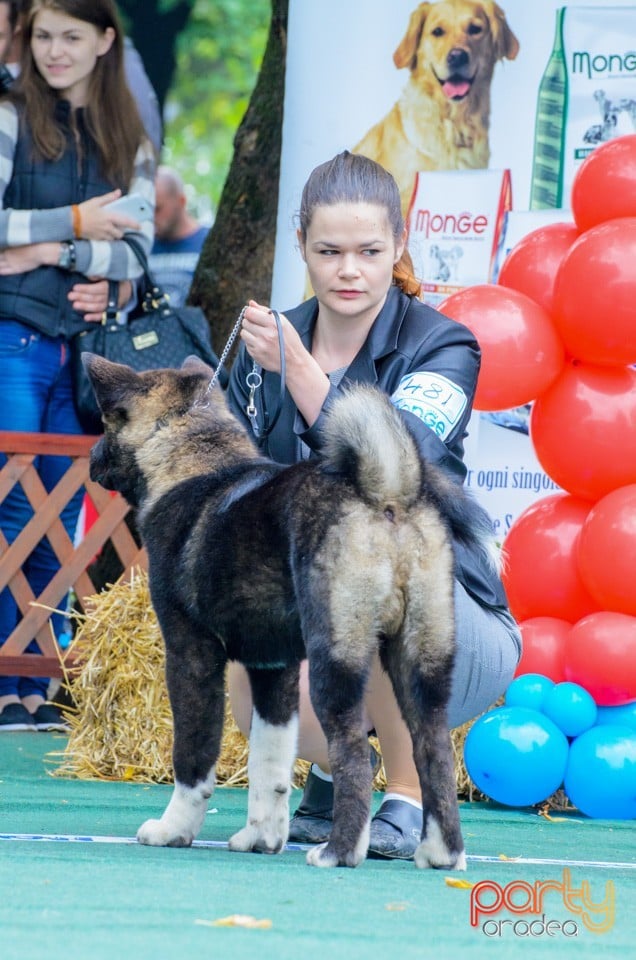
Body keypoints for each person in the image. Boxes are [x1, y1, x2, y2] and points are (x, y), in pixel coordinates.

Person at [226, 150, 521, 860]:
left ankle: (409, 799)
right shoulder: (261, 344)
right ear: (301, 247)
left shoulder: (445, 345)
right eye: (328, 251)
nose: (349, 270)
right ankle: (333, 770)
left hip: (453, 628)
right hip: (308, 609)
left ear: (399, 247)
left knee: (379, 555)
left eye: (368, 251)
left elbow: (391, 472)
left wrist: (298, 371)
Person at [0, 0, 155, 732]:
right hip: (13, 338)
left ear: (105, 40)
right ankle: (8, 673)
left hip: (87, 355)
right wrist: (78, 224)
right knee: (10, 502)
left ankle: (35, 683)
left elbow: (138, 249)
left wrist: (52, 251)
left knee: (61, 511)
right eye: (42, 36)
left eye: (70, 36)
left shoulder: (129, 135)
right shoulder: (8, 114)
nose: (53, 52)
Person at [148, 165, 209, 307]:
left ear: (181, 201)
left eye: (158, 209)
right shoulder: (145, 246)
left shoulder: (208, 242)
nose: (151, 217)